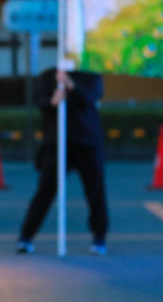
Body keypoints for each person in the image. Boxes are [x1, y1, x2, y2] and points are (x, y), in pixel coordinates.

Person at [16, 67, 109, 255]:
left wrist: (71, 85)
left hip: (87, 144)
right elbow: (41, 102)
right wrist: (53, 101)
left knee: (95, 192)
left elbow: (92, 97)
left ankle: (99, 237)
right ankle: (26, 237)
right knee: (45, 192)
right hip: (56, 144)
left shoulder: (91, 75)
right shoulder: (48, 76)